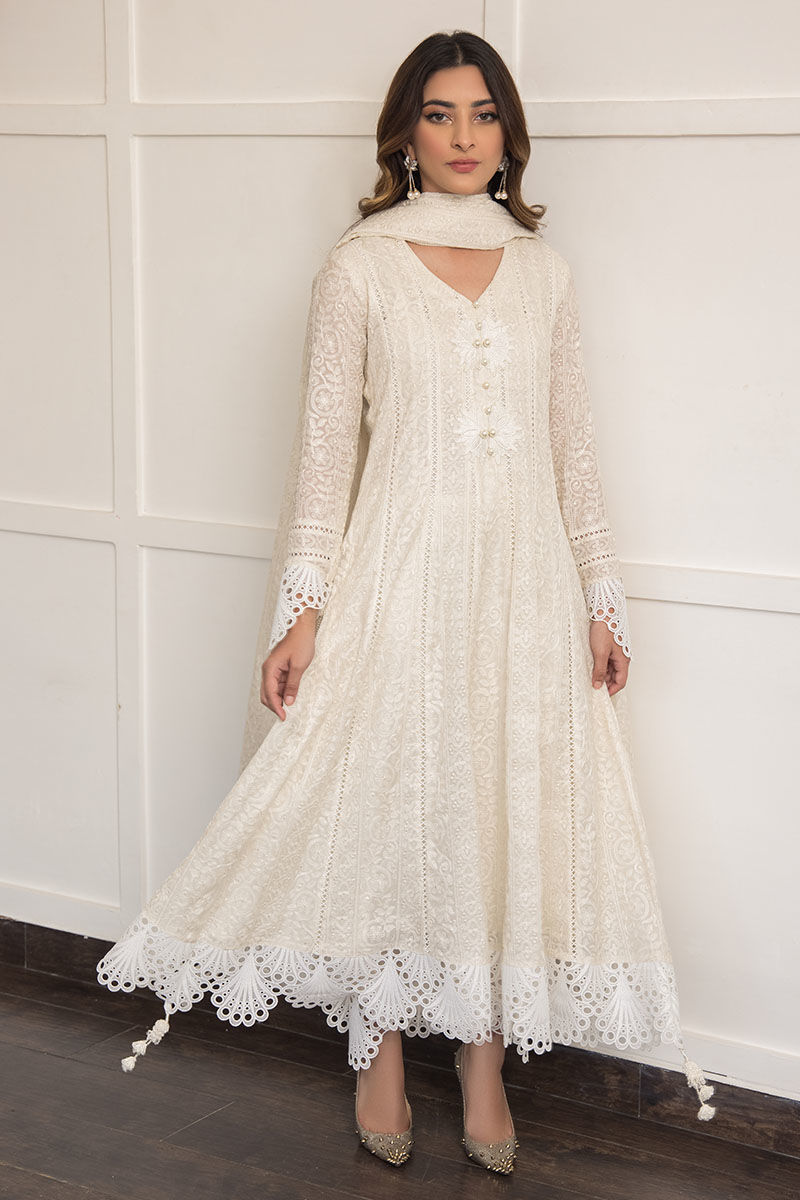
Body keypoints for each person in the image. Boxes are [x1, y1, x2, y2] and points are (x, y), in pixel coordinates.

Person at [96, 29, 717, 1176]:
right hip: (396, 572)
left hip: (522, 585)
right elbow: (322, 460)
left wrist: (599, 595)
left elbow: (571, 449)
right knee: (386, 803)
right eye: (439, 114)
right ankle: (374, 1044)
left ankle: (482, 1062)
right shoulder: (359, 269)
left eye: (482, 114)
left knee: (496, 809)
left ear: (508, 134)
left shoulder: (543, 272)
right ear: (403, 136)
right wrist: (302, 611)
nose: (463, 136)